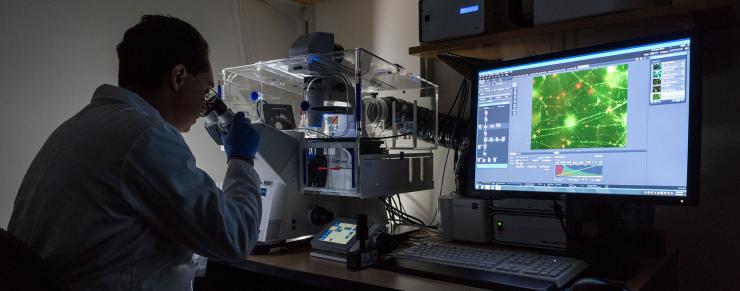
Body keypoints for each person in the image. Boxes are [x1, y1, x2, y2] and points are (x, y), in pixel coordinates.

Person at [8, 15, 262, 291]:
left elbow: (127, 242)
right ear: (178, 77)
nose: (205, 104)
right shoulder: (146, 137)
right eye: (206, 90)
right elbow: (236, 237)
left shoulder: (78, 127)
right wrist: (242, 159)